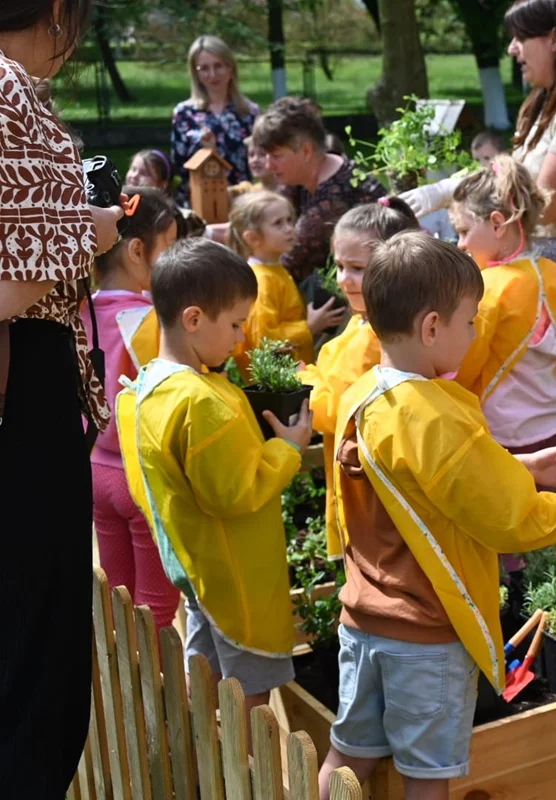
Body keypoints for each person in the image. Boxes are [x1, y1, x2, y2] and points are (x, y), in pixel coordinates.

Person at [315, 233, 556, 800]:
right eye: (469, 322)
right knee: (426, 776)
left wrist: (520, 463)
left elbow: (438, 480)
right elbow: (504, 517)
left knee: (348, 757)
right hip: (427, 634)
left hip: (362, 622)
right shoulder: (438, 418)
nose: (474, 333)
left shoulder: (363, 395)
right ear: (432, 327)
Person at [402, 0, 556, 553]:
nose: (512, 50)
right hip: (548, 270)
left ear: (554, 38)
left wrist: (442, 194)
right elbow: (506, 176)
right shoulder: (544, 106)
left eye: (520, 39)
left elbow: (543, 200)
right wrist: (441, 193)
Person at [0, 2, 126, 793]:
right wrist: (95, 233)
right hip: (23, 390)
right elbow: (11, 286)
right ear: (55, 11)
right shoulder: (11, 93)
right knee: (32, 651)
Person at [116, 237, 312, 721]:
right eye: (236, 324)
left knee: (203, 679)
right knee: (249, 698)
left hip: (196, 568)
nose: (241, 338)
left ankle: (204, 772)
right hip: (237, 581)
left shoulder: (143, 390)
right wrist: (287, 448)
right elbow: (238, 491)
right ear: (194, 319)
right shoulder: (201, 403)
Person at [299, 196, 421, 558]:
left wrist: (304, 385)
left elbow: (339, 410)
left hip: (367, 491)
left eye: (357, 268)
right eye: (339, 265)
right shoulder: (361, 320)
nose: (343, 279)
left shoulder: (375, 337)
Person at [88, 188, 181, 630]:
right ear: (138, 250)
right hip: (139, 477)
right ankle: (159, 695)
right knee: (157, 610)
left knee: (117, 599)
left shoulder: (77, 310)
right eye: (171, 246)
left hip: (95, 470)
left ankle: (122, 692)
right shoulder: (149, 321)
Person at [451, 155, 556, 457]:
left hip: (503, 439)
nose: (460, 244)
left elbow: (463, 365)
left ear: (497, 223)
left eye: (463, 231)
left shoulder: (487, 290)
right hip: (555, 430)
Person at [253, 96, 385, 280]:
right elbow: (260, 220)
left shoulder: (329, 202)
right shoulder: (304, 178)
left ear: (306, 151)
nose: (268, 165)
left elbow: (281, 267)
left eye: (276, 156)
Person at [228, 189, 344, 369]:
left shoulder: (274, 269)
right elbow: (262, 341)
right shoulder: (261, 280)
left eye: (290, 220)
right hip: (276, 387)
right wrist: (309, 327)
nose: (289, 228)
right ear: (252, 238)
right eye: (278, 223)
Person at [170, 35, 258, 206]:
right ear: (195, 73)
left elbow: (260, 162)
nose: (212, 75)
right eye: (204, 68)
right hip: (198, 201)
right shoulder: (184, 114)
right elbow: (178, 167)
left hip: (242, 201)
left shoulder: (249, 112)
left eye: (218, 66)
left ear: (231, 67)